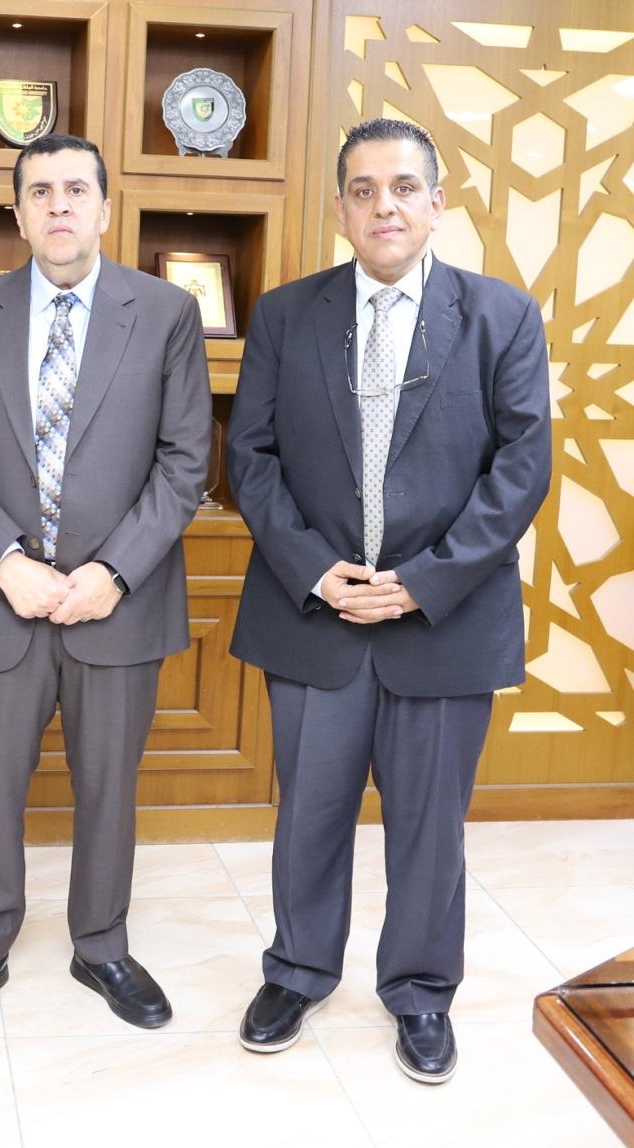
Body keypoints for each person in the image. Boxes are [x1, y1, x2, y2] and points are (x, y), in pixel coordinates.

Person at [227, 118, 551, 1083]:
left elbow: (522, 467)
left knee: (429, 827)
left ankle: (419, 990)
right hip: (314, 612)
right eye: (364, 190)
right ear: (340, 209)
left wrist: (424, 580)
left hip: (445, 619)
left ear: (437, 203)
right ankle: (297, 971)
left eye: (404, 187)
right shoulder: (285, 315)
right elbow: (250, 456)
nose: (385, 207)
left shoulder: (501, 316)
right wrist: (315, 568)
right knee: (308, 815)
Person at [0, 132, 212, 1036]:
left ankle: (102, 946)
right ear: (17, 215)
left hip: (117, 602)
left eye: (76, 190)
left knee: (109, 785)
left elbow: (184, 462)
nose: (59, 206)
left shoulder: (165, 313)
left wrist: (114, 571)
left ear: (105, 208)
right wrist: (6, 561)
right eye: (40, 192)